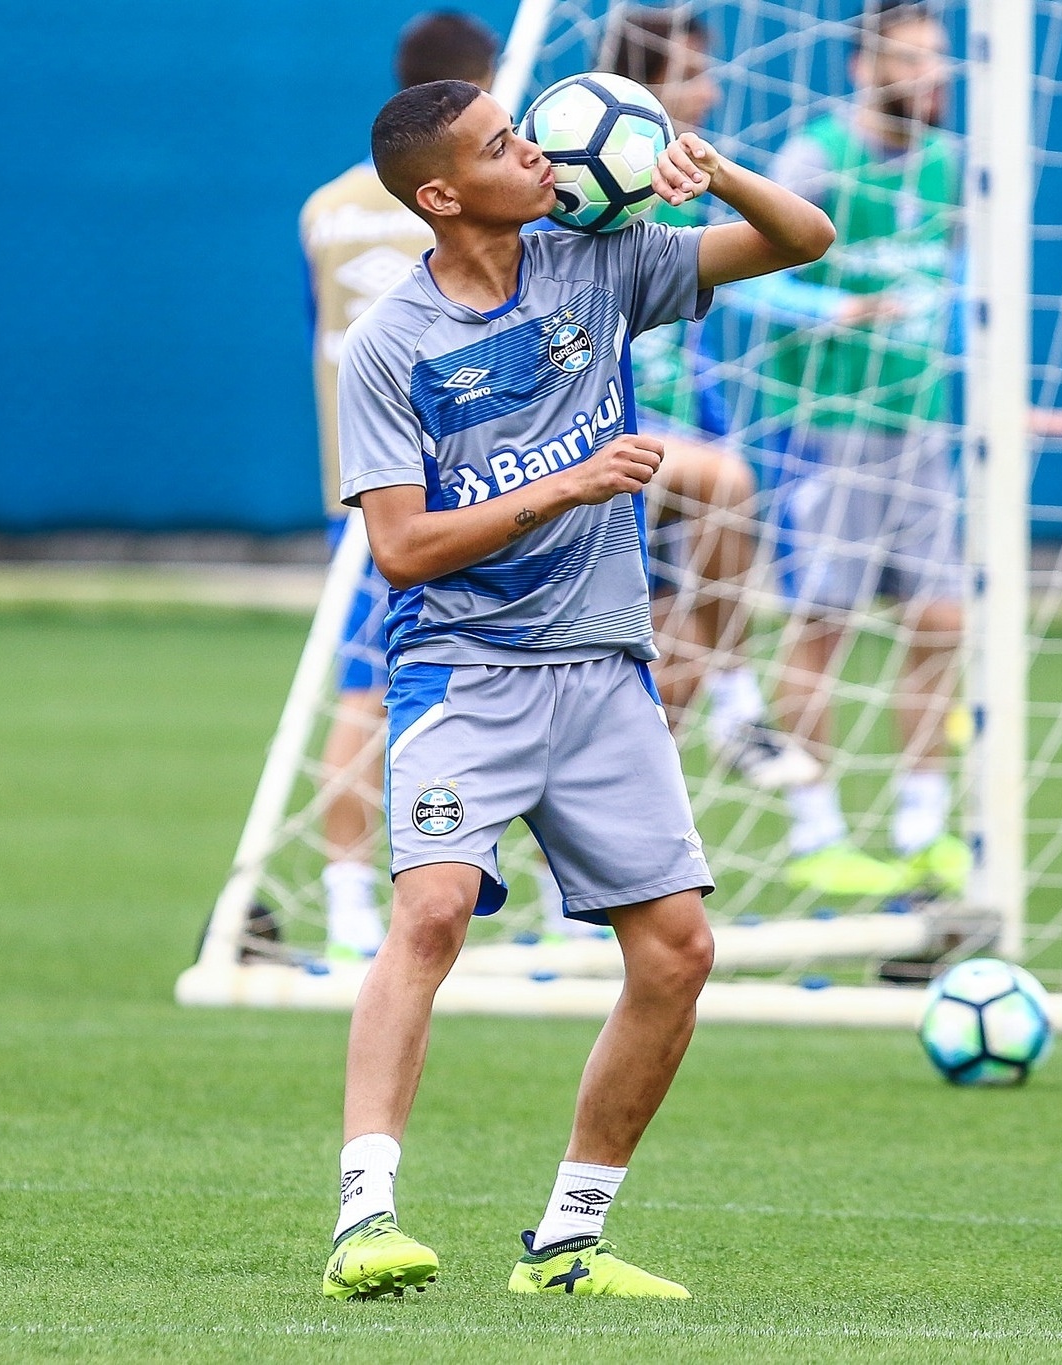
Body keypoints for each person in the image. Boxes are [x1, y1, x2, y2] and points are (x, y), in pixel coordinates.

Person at [321, 80, 834, 1299]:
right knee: (433, 913)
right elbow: (400, 549)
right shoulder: (392, 344)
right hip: (466, 670)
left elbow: (804, 239)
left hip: (605, 666)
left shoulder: (596, 262)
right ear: (443, 195)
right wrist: (566, 486)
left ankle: (567, 1242)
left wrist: (720, 175)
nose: (537, 148)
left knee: (678, 952)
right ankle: (363, 1220)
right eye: (504, 143)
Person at [744, 0, 968, 899]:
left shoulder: (951, 163)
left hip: (921, 422)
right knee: (823, 624)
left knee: (943, 620)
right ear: (866, 68)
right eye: (912, 62)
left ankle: (924, 822)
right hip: (825, 424)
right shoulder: (817, 158)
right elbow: (750, 280)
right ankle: (817, 827)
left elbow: (953, 279)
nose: (930, 78)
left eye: (938, 61)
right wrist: (829, 310)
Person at [299, 11, 500, 961]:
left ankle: (358, 891)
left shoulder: (326, 206)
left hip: (362, 478)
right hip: (450, 484)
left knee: (373, 690)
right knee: (376, 693)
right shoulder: (462, 198)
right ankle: (349, 900)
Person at [601, 5, 821, 794]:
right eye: (692, 75)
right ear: (637, 92)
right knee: (729, 482)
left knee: (668, 679)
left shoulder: (683, 191)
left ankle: (585, 897)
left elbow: (691, 347)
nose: (713, 90)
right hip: (598, 446)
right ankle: (742, 701)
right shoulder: (591, 194)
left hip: (665, 445)